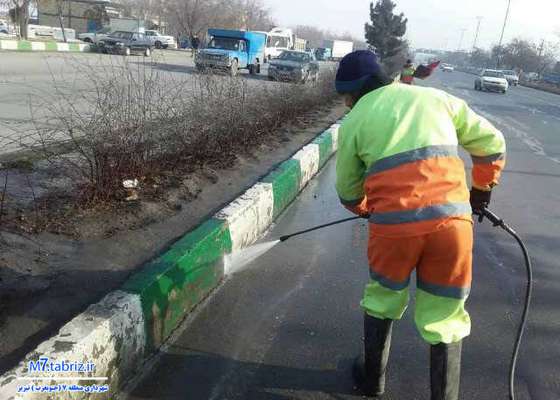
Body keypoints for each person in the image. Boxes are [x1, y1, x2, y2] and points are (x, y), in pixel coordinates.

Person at [334, 50, 506, 399]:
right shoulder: (437, 99)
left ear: (354, 91)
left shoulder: (354, 121)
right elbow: (492, 145)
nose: (346, 103)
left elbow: (347, 192)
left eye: (346, 97)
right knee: (445, 315)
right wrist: (480, 193)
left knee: (382, 300)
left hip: (393, 233)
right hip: (452, 228)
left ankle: (372, 382)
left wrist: (368, 209)